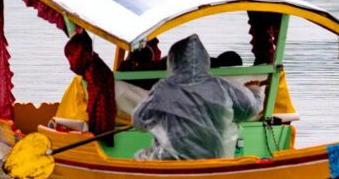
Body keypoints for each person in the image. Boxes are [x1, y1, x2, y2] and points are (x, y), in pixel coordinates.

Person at [130, 33, 260, 161]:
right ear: (205, 60)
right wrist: (255, 91)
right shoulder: (222, 86)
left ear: (173, 61)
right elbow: (251, 109)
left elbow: (139, 122)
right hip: (215, 161)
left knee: (140, 157)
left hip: (170, 163)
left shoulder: (163, 89)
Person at [62, 30, 117, 135]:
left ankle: (64, 124)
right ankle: (63, 123)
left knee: (78, 83)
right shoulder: (92, 72)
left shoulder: (93, 74)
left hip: (82, 118)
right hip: (79, 114)